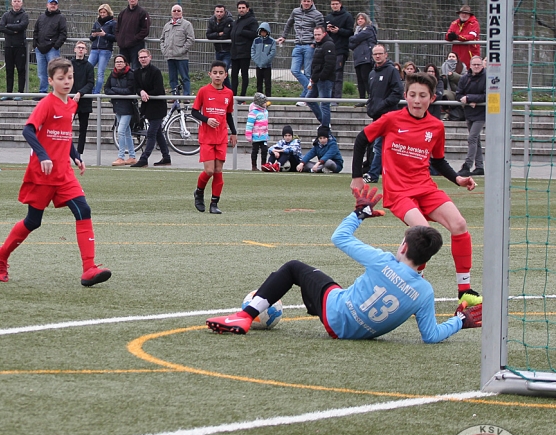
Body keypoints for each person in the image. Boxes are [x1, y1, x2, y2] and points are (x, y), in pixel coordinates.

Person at [207, 186, 482, 340]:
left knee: (293, 268)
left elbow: (339, 237)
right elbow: (431, 336)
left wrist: (359, 214)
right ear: (427, 259)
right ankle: (252, 312)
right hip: (353, 333)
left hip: (335, 312)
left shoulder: (382, 262)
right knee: (333, 287)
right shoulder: (425, 292)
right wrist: (459, 321)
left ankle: (245, 316)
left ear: (404, 247)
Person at [351, 71, 482, 306]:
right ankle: (412, 283)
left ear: (432, 98)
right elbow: (361, 140)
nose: (417, 100)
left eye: (423, 95)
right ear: (406, 95)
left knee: (459, 224)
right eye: (412, 95)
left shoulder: (436, 126)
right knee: (423, 232)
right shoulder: (391, 119)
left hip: (425, 188)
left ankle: (464, 290)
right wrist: (357, 177)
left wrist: (458, 179)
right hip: (399, 192)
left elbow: (438, 161)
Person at [0, 57, 111, 287]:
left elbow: (64, 134)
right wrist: (43, 155)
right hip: (42, 174)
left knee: (83, 210)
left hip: (64, 173)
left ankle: (89, 269)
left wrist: (75, 156)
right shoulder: (46, 104)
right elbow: (28, 131)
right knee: (33, 221)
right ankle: (1, 254)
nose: (67, 82)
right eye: (61, 78)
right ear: (50, 80)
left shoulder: (71, 105)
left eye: (70, 77)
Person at [191, 61, 235, 214]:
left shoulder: (229, 93)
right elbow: (194, 112)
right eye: (215, 72)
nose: (217, 75)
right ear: (210, 74)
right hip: (207, 137)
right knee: (209, 170)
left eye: (221, 73)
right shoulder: (203, 91)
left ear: (225, 75)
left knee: (218, 170)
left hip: (221, 137)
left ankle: (214, 203)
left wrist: (234, 132)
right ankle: (199, 192)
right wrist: (207, 120)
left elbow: (228, 114)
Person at [362, 44, 404, 184]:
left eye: (380, 53)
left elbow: (397, 92)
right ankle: (388, 173)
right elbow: (372, 95)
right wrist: (371, 107)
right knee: (380, 146)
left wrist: (383, 105)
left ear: (386, 54)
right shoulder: (372, 74)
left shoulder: (392, 71)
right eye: (375, 54)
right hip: (377, 116)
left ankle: (373, 174)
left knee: (380, 145)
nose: (378, 56)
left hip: (389, 115)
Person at [277, 0, 325, 100]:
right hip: (298, 45)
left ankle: (305, 97)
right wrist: (284, 36)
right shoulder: (295, 11)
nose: (306, 3)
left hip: (310, 46)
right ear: (301, 1)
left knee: (308, 72)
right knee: (294, 70)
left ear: (312, 2)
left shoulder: (317, 14)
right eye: (304, 1)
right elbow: (289, 24)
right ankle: (310, 90)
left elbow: (321, 30)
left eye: (308, 1)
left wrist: (314, 43)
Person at [131, 48, 171, 167]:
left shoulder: (156, 71)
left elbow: (158, 89)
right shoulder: (136, 72)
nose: (143, 59)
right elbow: (136, 87)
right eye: (141, 57)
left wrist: (146, 94)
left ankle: (144, 158)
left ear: (150, 57)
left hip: (158, 107)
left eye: (145, 57)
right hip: (147, 107)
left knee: (151, 133)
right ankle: (166, 157)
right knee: (158, 133)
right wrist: (141, 92)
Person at [455, 55, 487, 177]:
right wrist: (467, 100)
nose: (476, 66)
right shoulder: (465, 78)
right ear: (470, 65)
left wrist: (470, 98)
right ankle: (479, 166)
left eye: (479, 64)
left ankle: (467, 165)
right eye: (474, 64)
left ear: (482, 65)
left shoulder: (486, 77)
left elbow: (487, 95)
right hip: (469, 112)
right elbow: (458, 94)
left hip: (481, 113)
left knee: (472, 138)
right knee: (476, 139)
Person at [104, 54, 137, 166]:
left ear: (125, 63)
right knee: (127, 132)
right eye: (117, 62)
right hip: (117, 106)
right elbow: (106, 89)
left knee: (121, 131)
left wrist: (115, 90)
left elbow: (130, 90)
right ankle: (132, 156)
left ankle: (121, 156)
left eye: (121, 61)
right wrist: (117, 91)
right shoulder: (112, 74)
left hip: (128, 107)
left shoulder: (130, 74)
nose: (118, 64)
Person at [32, 0, 68, 97]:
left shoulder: (60, 18)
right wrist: (35, 45)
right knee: (41, 73)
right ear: (47, 5)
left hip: (52, 50)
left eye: (55, 4)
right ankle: (42, 93)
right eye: (51, 3)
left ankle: (55, 93)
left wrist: (56, 45)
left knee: (54, 72)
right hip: (40, 49)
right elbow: (35, 31)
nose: (53, 5)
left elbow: (63, 33)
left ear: (57, 6)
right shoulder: (41, 17)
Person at [160, 5, 196, 96]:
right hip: (170, 56)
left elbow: (191, 39)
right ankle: (175, 96)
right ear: (171, 13)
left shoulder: (187, 25)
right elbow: (162, 39)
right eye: (174, 10)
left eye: (178, 10)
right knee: (172, 78)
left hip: (182, 57)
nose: (176, 12)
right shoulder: (167, 25)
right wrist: (164, 50)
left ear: (182, 12)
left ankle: (186, 96)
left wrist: (182, 50)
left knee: (185, 77)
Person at [0, 0, 29, 99]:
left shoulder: (24, 15)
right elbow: (1, 27)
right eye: (15, 1)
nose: (16, 3)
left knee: (21, 70)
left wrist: (8, 26)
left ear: (22, 3)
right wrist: (13, 31)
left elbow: (22, 26)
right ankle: (9, 93)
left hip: (20, 47)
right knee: (9, 70)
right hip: (8, 46)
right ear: (11, 3)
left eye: (18, 1)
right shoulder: (6, 15)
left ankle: (20, 93)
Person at [306, 25, 337, 128]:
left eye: (319, 34)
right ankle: (324, 122)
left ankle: (325, 126)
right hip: (317, 79)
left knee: (324, 104)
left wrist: (321, 77)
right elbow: (317, 64)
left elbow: (329, 64)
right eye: (315, 35)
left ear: (324, 34)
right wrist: (314, 77)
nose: (317, 37)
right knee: (309, 99)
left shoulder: (328, 45)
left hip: (325, 80)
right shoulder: (319, 45)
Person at [69, 41, 95, 155]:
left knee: (83, 129)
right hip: (70, 100)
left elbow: (90, 83)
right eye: (78, 47)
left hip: (84, 101)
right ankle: (66, 150)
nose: (80, 50)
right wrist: (73, 94)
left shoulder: (89, 66)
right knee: (66, 127)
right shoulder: (69, 65)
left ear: (86, 51)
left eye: (82, 48)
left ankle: (79, 154)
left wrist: (80, 93)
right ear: (74, 49)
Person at [324, 0, 353, 99]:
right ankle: (328, 96)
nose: (335, 6)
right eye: (333, 4)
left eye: (336, 4)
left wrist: (339, 31)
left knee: (338, 73)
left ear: (340, 4)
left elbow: (350, 32)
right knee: (329, 73)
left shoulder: (347, 16)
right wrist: (327, 30)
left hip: (341, 49)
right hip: (329, 50)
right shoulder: (328, 17)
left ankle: (336, 98)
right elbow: (323, 33)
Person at [229, 1, 259, 97]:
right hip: (234, 52)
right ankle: (233, 95)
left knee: (244, 74)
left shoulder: (252, 20)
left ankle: (242, 96)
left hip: (245, 52)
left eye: (243, 8)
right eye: (239, 8)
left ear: (247, 9)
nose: (241, 10)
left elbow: (255, 33)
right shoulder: (236, 22)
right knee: (234, 75)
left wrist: (242, 32)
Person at [117, 0, 150, 70]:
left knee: (136, 69)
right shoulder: (122, 13)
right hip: (123, 47)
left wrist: (134, 39)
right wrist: (119, 39)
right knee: (122, 69)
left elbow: (145, 30)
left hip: (136, 47)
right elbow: (117, 28)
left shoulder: (142, 13)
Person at [87, 3, 116, 94]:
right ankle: (90, 90)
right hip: (94, 49)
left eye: (104, 12)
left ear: (108, 12)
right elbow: (91, 38)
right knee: (87, 69)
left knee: (100, 72)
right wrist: (93, 35)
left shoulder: (113, 23)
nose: (102, 14)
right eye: (101, 12)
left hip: (105, 50)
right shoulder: (97, 23)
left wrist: (105, 35)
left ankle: (96, 93)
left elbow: (115, 38)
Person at [348, 13, 377, 102]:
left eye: (362, 19)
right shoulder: (357, 31)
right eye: (358, 19)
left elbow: (354, 39)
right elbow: (351, 44)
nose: (360, 20)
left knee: (366, 78)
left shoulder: (369, 29)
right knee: (359, 80)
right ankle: (362, 100)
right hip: (358, 58)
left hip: (366, 58)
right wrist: (358, 40)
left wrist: (356, 39)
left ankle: (371, 98)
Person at [250, 22, 277, 96]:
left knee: (267, 83)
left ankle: (268, 98)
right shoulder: (256, 40)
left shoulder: (271, 41)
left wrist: (266, 60)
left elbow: (272, 52)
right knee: (259, 83)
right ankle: (259, 98)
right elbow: (253, 50)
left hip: (267, 66)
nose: (263, 33)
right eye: (261, 31)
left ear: (267, 32)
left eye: (264, 31)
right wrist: (255, 59)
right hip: (258, 65)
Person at [244, 92, 269, 171]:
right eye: (264, 102)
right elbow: (249, 125)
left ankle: (263, 165)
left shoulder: (265, 111)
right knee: (255, 151)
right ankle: (254, 166)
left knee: (264, 150)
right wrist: (248, 135)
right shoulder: (253, 113)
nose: (266, 103)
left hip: (264, 135)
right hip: (256, 136)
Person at [440, 52, 466, 121]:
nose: (451, 58)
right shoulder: (443, 66)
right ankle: (449, 112)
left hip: (459, 90)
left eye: (453, 56)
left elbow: (464, 79)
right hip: (448, 90)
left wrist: (453, 75)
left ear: (457, 58)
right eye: (450, 56)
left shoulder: (462, 66)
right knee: (444, 94)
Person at [206, 4, 233, 68]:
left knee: (224, 68)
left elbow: (225, 35)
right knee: (219, 70)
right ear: (214, 12)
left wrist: (214, 36)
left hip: (228, 50)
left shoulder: (229, 20)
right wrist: (218, 34)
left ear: (224, 12)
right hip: (218, 50)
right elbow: (208, 35)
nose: (219, 14)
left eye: (221, 12)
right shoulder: (211, 20)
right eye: (217, 11)